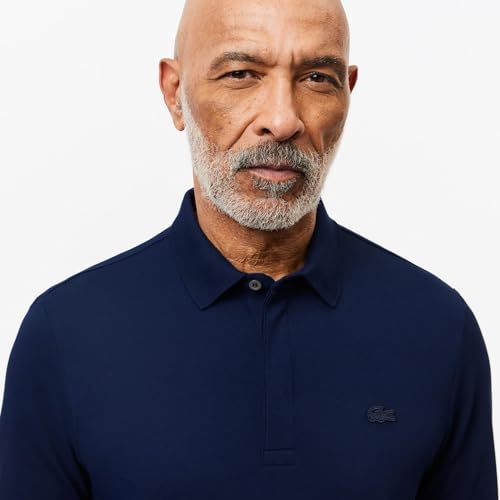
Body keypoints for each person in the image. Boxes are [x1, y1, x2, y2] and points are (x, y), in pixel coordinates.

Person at [0, 0, 497, 498]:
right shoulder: (64, 336)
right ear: (175, 93)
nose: (282, 120)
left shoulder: (438, 327)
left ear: (348, 91)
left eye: (317, 78)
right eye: (241, 74)